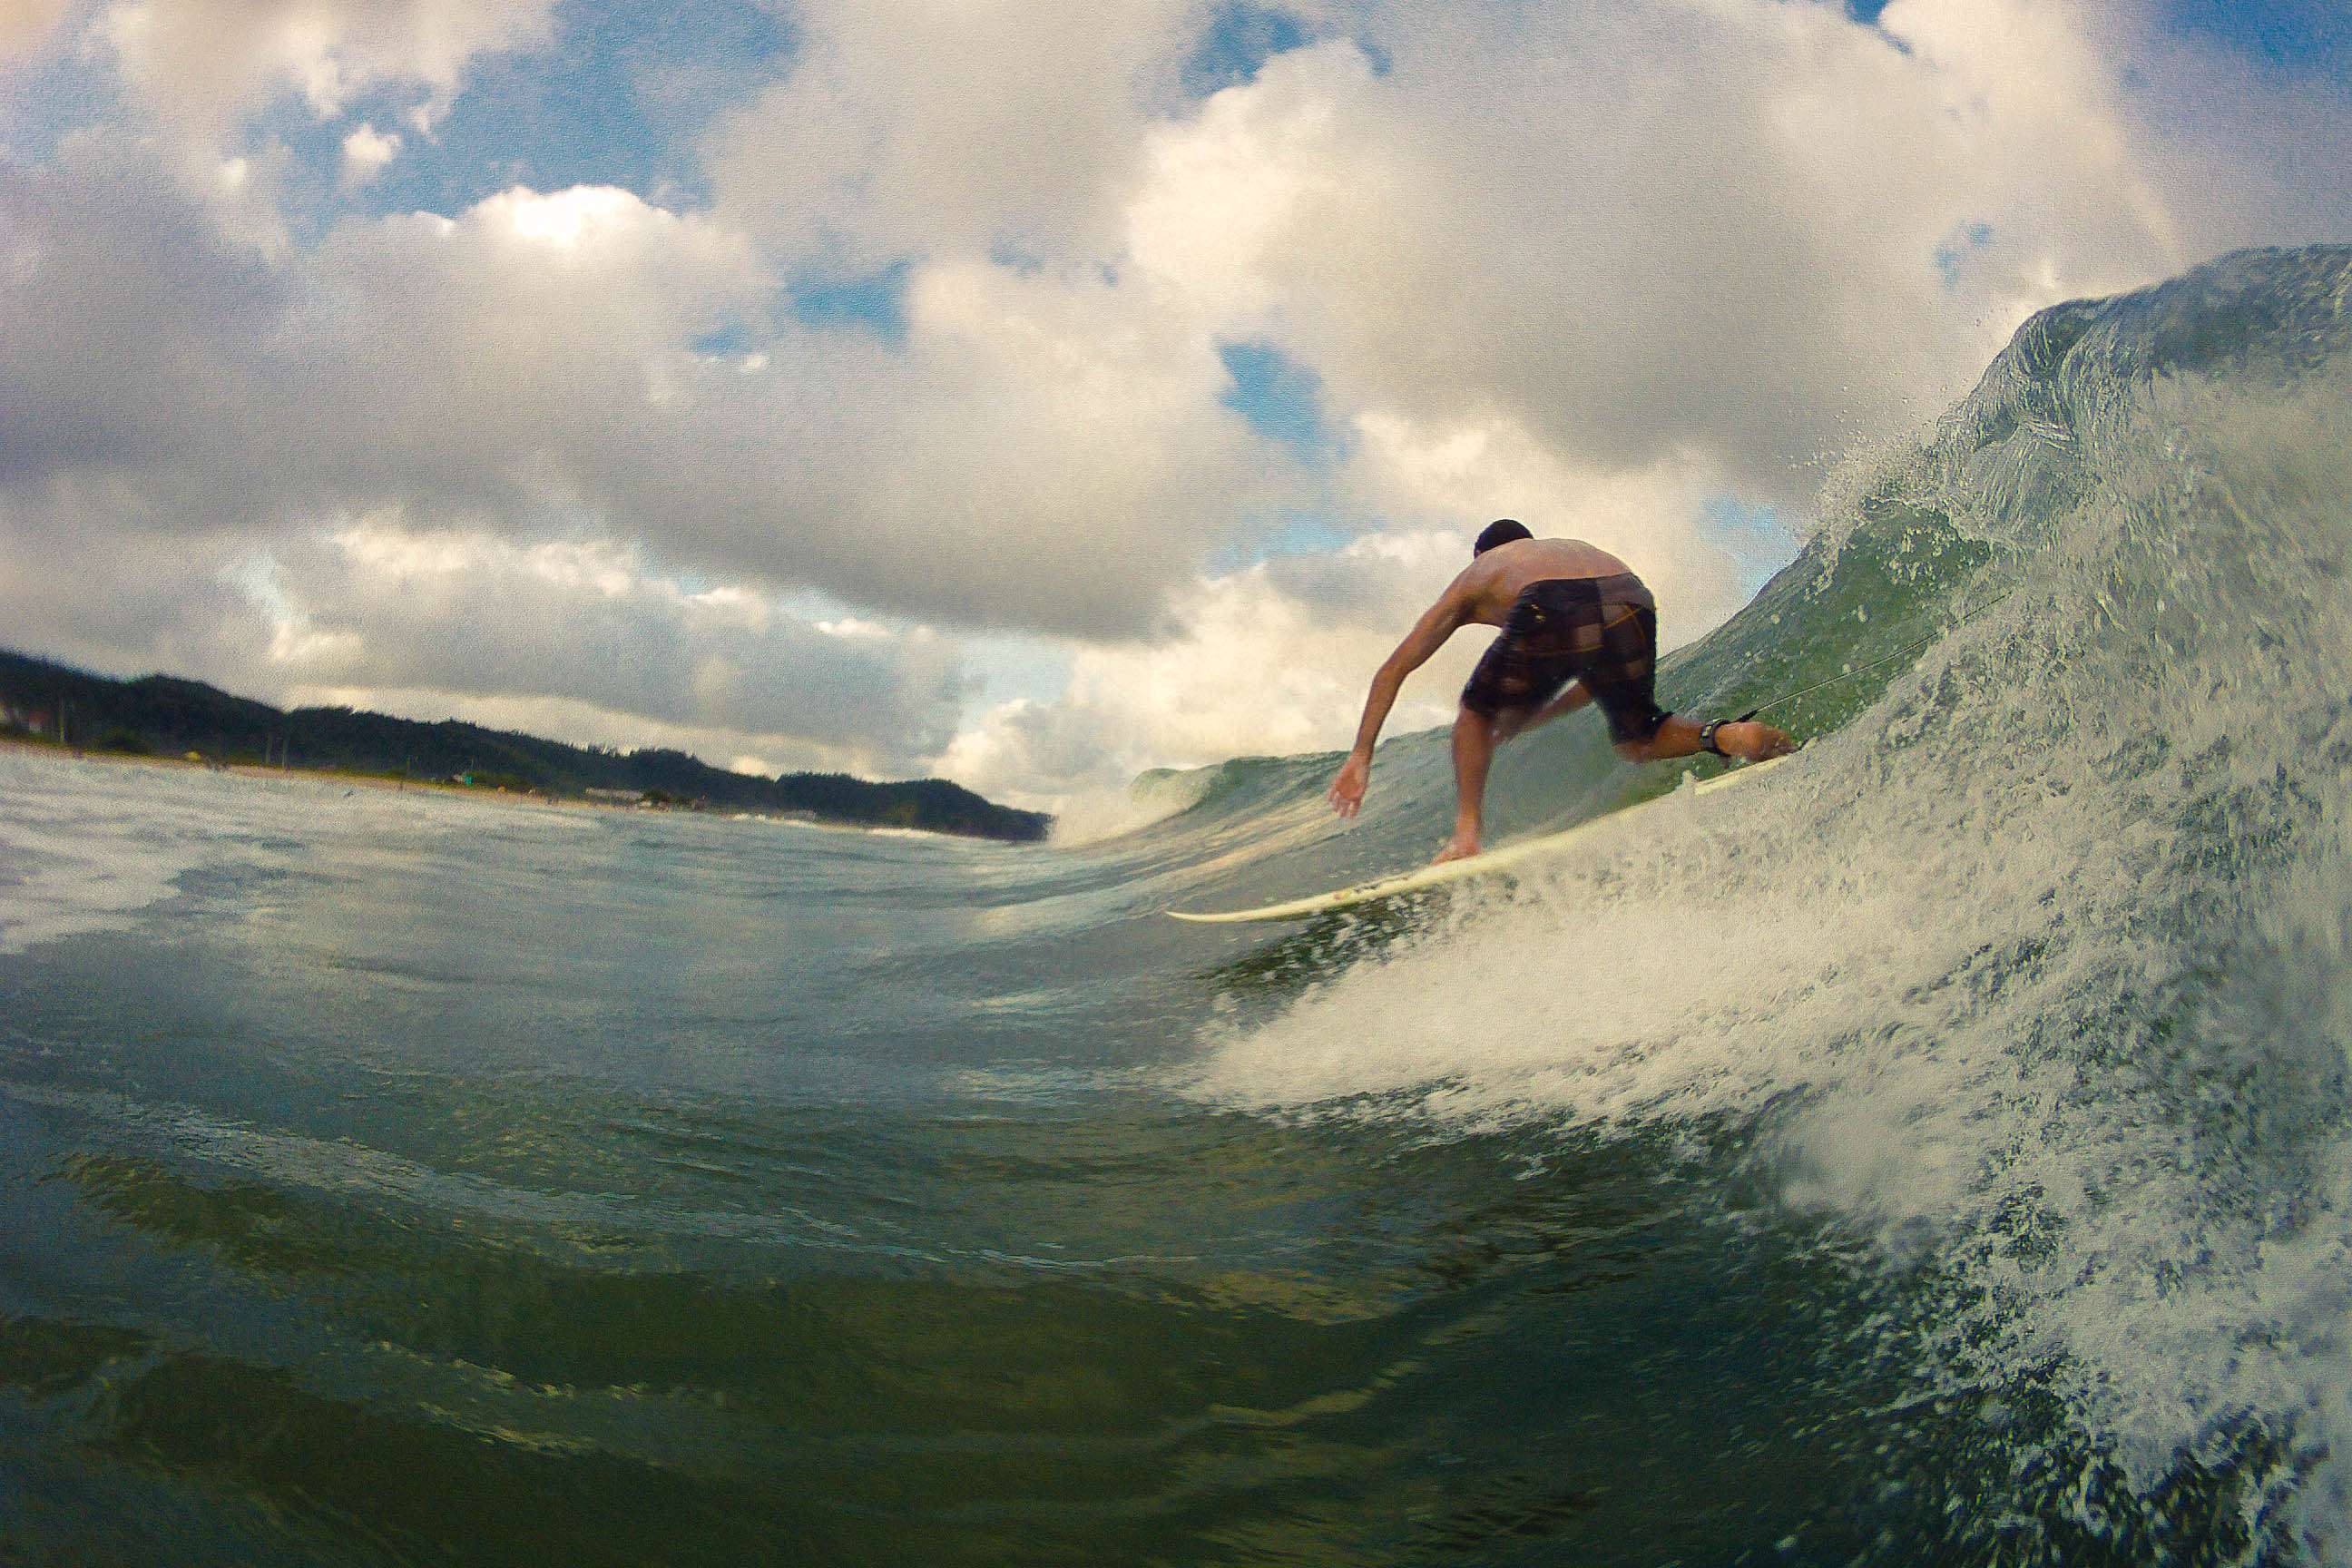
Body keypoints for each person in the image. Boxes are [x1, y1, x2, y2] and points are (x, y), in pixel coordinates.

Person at [1328, 519, 1794, 863]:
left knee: (1473, 715)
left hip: (1553, 601)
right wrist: (1535, 718)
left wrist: (1361, 756)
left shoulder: (1480, 574)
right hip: (1630, 595)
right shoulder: (1567, 549)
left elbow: (1392, 671)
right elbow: (1593, 682)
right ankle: (1732, 736)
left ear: (1483, 555)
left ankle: (1466, 836)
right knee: (1639, 738)